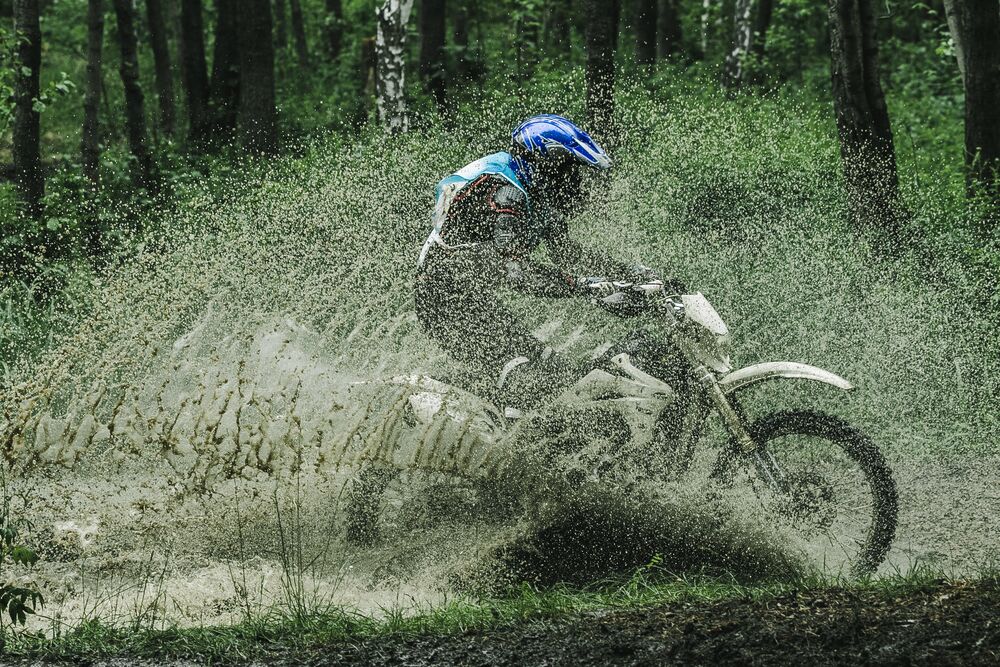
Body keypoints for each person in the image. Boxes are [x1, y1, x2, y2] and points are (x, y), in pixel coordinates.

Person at [415, 114, 684, 414]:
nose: (578, 185)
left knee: (557, 372)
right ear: (547, 167)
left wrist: (635, 274)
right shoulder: (508, 193)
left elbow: (571, 256)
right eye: (571, 174)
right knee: (526, 380)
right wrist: (582, 286)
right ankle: (504, 454)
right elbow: (515, 271)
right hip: (443, 301)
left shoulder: (537, 198)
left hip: (475, 300)